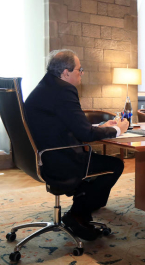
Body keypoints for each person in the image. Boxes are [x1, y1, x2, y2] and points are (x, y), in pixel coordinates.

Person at [25, 49, 129, 241]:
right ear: (66, 72)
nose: (82, 73)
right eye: (80, 70)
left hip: (43, 157)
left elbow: (69, 124)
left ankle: (83, 199)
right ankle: (78, 213)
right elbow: (85, 134)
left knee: (98, 165)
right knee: (115, 165)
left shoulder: (47, 86)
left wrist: (102, 126)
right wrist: (118, 130)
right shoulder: (63, 91)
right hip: (60, 161)